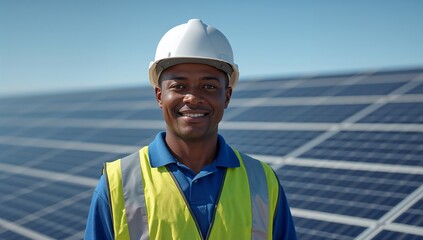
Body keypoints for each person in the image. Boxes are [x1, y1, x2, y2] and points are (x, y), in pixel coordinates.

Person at [85, 19, 296, 240]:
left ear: (227, 96)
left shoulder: (263, 181)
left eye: (209, 86)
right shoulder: (117, 184)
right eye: (179, 86)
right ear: (159, 96)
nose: (193, 98)